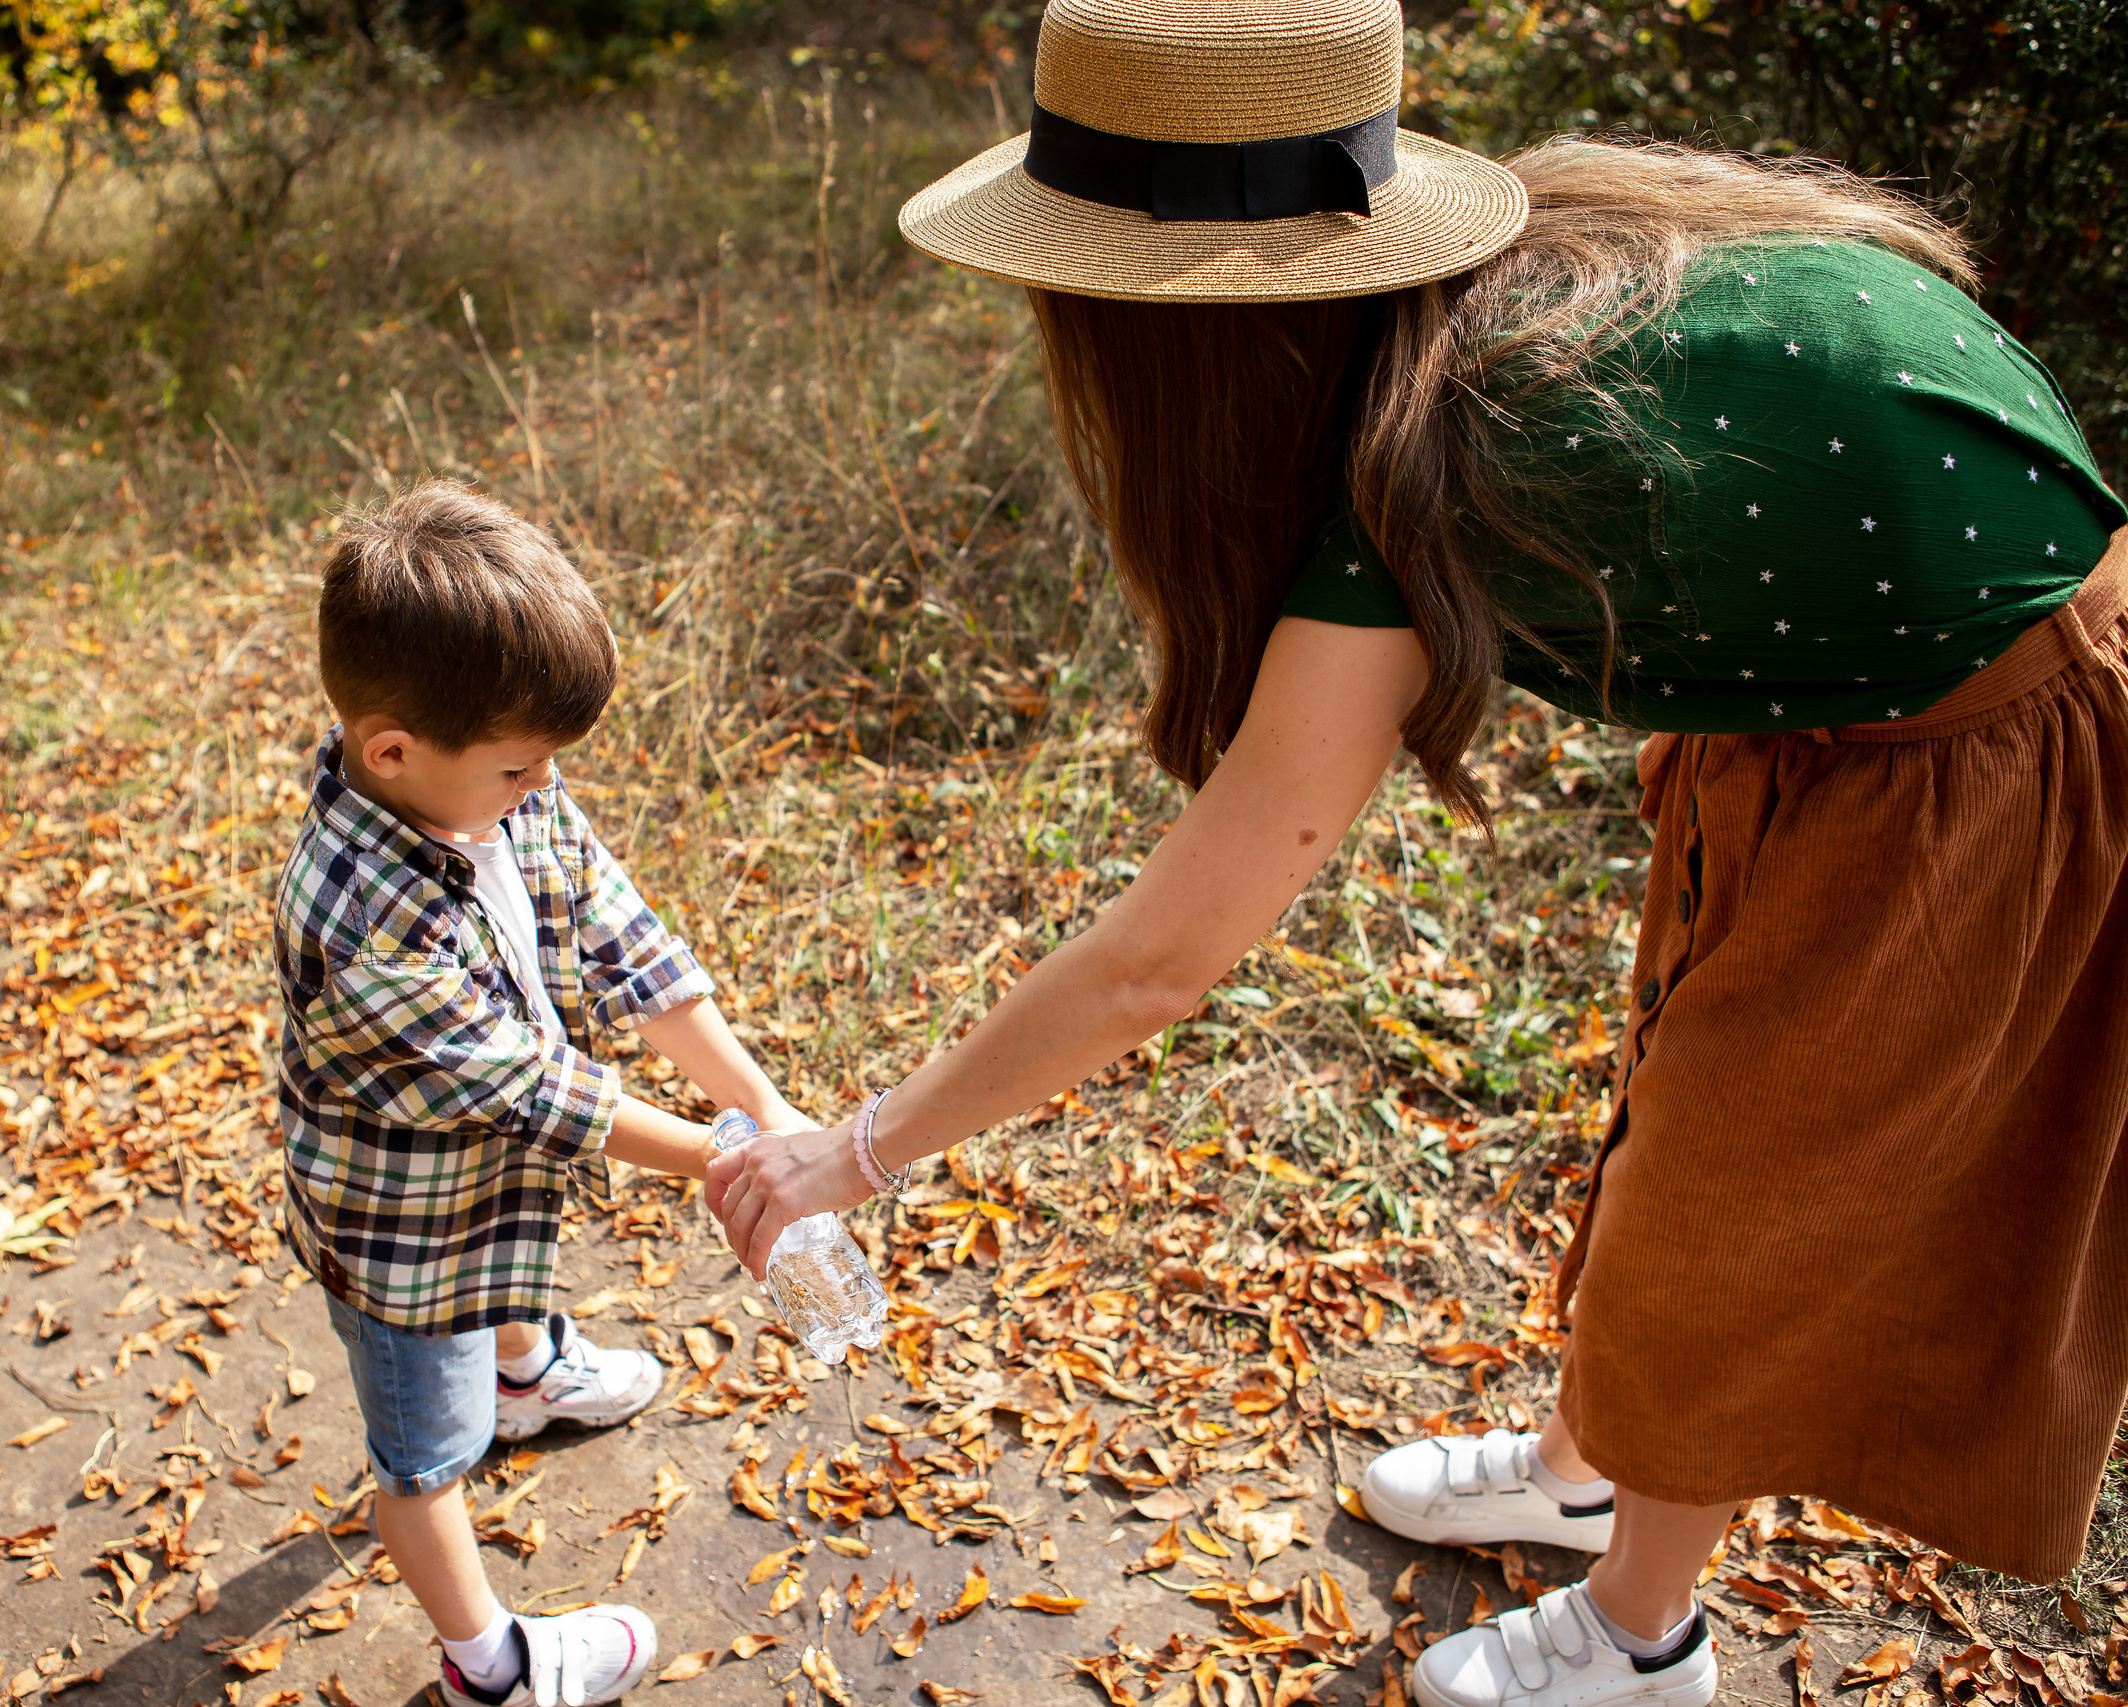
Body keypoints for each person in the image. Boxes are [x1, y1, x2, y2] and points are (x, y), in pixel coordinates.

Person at [706, 5, 2128, 1706]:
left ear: (1173, 336)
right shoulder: (1521, 269)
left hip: (1990, 745)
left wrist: (854, 1151)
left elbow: (1169, 951)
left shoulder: (1420, 471)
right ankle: (1581, 1460)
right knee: (1677, 1095)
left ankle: (1640, 1636)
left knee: (1722, 1212)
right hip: (1871, 686)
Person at [275, 481, 811, 1707]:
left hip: (482, 1192)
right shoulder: (366, 925)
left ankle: (524, 1373)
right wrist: (733, 1164)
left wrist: (761, 1105)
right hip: (399, 1239)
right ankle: (490, 1669)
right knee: (423, 1461)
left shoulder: (496, 790)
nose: (544, 787)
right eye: (523, 768)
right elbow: (541, 1093)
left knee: (504, 1265)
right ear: (394, 750)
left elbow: (623, 936)